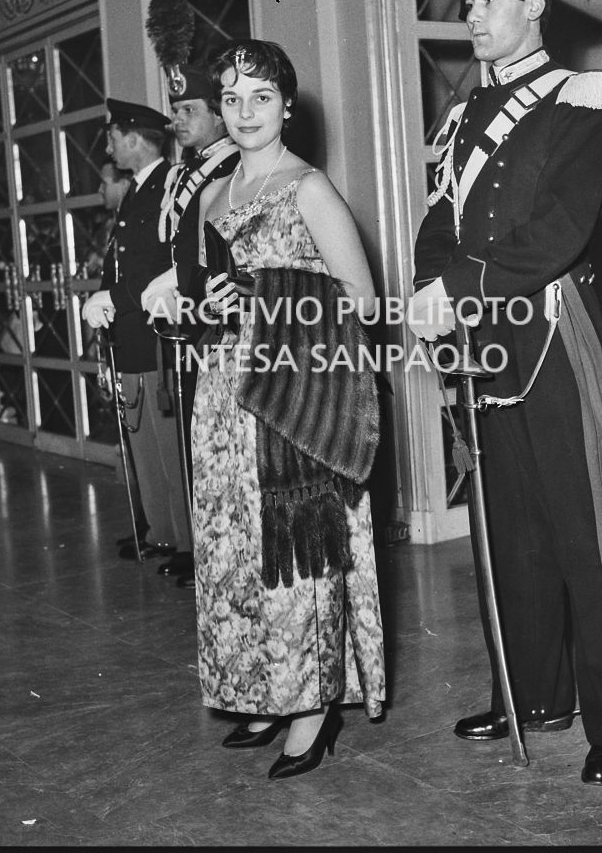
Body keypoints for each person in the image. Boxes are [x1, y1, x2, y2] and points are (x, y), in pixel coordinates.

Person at [406, 0, 602, 786]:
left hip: (550, 332)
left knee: (582, 533)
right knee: (510, 532)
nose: (472, 14)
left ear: (533, 6)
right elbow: (440, 219)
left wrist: (460, 284)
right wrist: (434, 285)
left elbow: (559, 231)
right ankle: (531, 692)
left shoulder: (583, 99)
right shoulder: (464, 114)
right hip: (481, 343)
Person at [190, 39, 385, 779]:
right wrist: (207, 303)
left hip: (292, 400)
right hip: (222, 401)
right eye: (232, 98)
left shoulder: (307, 187)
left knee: (293, 554)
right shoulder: (212, 194)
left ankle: (310, 707)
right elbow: (216, 298)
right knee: (234, 553)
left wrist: (267, 292)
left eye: (261, 97)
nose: (244, 112)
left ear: (287, 106)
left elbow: (362, 301)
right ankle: (263, 691)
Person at [81, 99, 193, 573]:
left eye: (112, 136)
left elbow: (158, 267)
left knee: (170, 448)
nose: (108, 145)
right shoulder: (135, 191)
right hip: (129, 335)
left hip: (155, 334)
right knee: (143, 442)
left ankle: (189, 544)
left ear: (134, 137)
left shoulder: (170, 185)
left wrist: (115, 299)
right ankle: (162, 533)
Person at [138, 62, 240, 581]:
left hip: (213, 313)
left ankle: (206, 546)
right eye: (175, 110)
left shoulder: (227, 168)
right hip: (188, 313)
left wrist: (183, 286)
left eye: (189, 110)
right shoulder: (191, 168)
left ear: (221, 117)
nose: (178, 120)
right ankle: (194, 543)